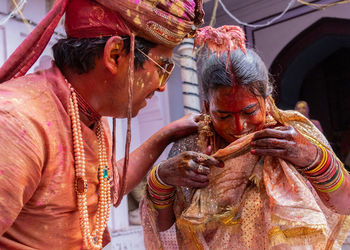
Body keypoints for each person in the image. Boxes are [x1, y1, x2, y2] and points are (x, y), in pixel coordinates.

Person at [0, 0, 219, 249]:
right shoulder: (17, 123)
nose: (162, 86)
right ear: (114, 55)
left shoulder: (92, 117)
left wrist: (168, 134)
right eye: (163, 67)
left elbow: (106, 186)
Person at [141, 26, 350, 249]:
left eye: (249, 111)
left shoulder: (293, 134)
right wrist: (160, 179)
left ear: (267, 100)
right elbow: (165, 232)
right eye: (223, 115)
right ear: (206, 107)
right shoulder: (192, 146)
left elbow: (345, 203)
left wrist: (313, 158)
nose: (239, 126)